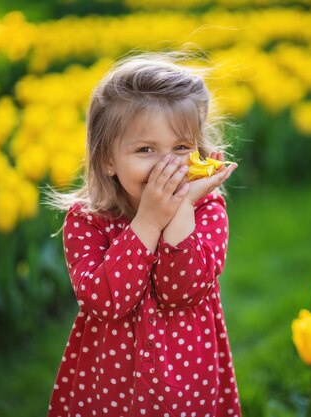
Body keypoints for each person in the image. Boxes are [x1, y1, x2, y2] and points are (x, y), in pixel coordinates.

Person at [46, 52, 241, 417]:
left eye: (181, 148)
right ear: (107, 159)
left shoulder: (206, 211)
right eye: (146, 149)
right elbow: (105, 301)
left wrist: (179, 210)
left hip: (187, 378)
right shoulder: (88, 222)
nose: (167, 165)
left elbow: (180, 291)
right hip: (111, 383)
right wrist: (149, 222)